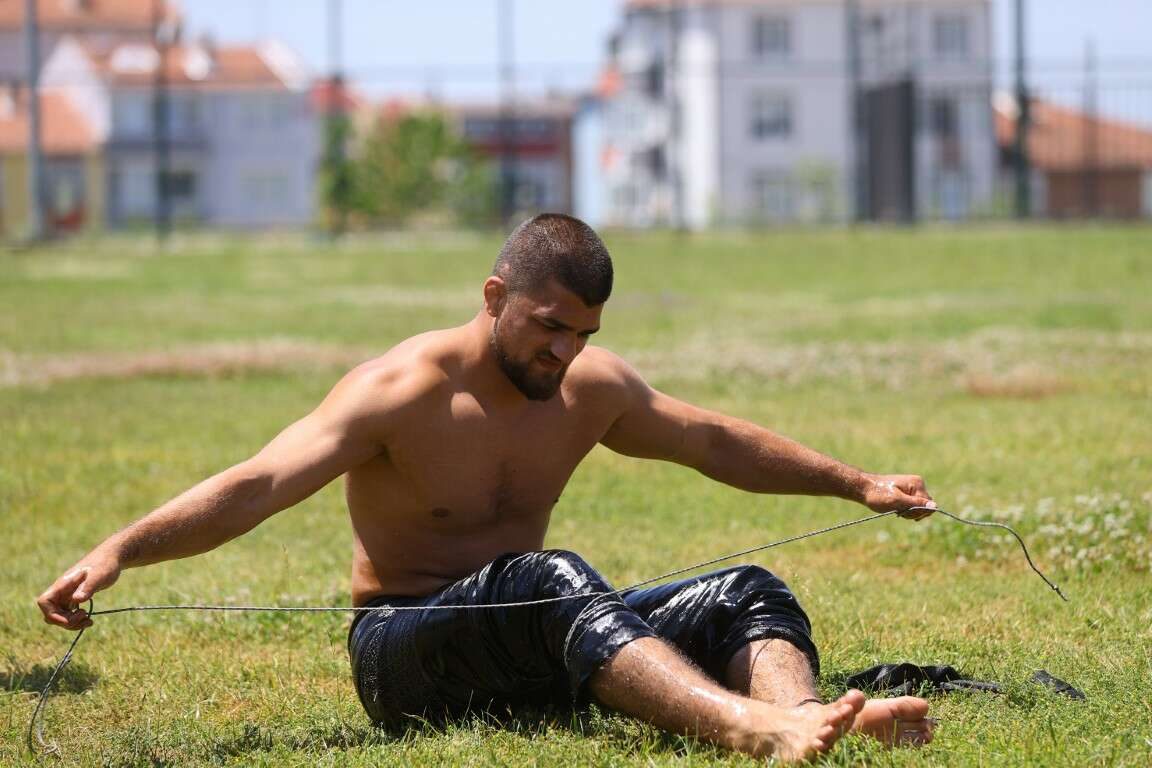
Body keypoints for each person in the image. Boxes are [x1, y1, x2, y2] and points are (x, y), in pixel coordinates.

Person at [38, 214, 938, 762]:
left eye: (584, 334)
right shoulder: (401, 391)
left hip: (533, 635)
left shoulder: (588, 387)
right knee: (549, 579)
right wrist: (119, 551)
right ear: (495, 294)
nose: (566, 351)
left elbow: (709, 441)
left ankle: (807, 719)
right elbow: (258, 483)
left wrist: (858, 483)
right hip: (402, 655)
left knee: (746, 591)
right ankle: (751, 730)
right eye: (550, 327)